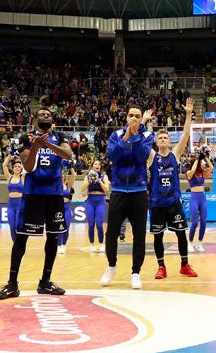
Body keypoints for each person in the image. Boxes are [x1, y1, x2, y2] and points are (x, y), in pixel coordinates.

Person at [0, 107, 73, 299]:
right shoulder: (24, 138)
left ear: (52, 120)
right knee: (21, 238)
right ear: (35, 119)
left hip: (54, 195)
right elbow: (28, 166)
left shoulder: (60, 135)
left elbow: (67, 155)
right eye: (42, 114)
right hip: (33, 194)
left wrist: (47, 144)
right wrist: (36, 145)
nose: (46, 116)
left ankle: (45, 282)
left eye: (49, 115)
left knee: (53, 238)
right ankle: (12, 284)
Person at [99, 105, 155, 289]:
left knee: (139, 235)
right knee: (112, 233)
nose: (133, 118)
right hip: (119, 191)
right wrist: (126, 136)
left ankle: (136, 272)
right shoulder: (115, 135)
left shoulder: (147, 136)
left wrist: (135, 134)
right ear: (126, 116)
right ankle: (111, 266)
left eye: (137, 116)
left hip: (139, 191)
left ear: (141, 120)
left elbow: (141, 157)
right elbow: (113, 156)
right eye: (131, 115)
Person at [147, 99, 197, 280]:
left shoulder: (174, 155)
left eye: (165, 138)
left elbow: (185, 135)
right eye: (159, 138)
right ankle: (161, 267)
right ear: (156, 141)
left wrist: (189, 114)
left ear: (169, 141)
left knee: (181, 234)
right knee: (158, 237)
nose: (162, 139)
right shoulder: (152, 157)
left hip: (174, 203)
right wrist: (144, 121)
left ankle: (184, 265)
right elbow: (140, 139)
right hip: (156, 203)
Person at [186, 151, 213, 253]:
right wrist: (197, 159)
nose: (201, 164)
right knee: (194, 222)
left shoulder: (202, 173)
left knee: (203, 222)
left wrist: (205, 157)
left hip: (202, 198)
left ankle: (199, 243)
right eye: (199, 163)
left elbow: (211, 168)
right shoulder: (189, 173)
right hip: (194, 198)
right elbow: (192, 170)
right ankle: (190, 242)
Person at [83, 160, 109, 253]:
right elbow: (82, 189)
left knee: (99, 224)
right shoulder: (87, 176)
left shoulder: (104, 176)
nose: (97, 165)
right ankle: (92, 244)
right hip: (90, 200)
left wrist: (99, 181)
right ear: (92, 166)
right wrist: (90, 181)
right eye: (95, 164)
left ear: (101, 166)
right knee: (90, 224)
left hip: (100, 200)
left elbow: (107, 189)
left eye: (99, 164)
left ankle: (101, 243)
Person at [3, 155, 24, 241]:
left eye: (19, 167)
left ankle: (19, 243)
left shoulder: (23, 178)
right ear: (13, 168)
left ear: (21, 169)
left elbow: (27, 167)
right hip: (11, 204)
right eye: (15, 166)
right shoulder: (9, 178)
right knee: (12, 227)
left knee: (17, 226)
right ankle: (15, 244)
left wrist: (21, 157)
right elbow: (4, 165)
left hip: (20, 203)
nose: (17, 168)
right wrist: (9, 157)